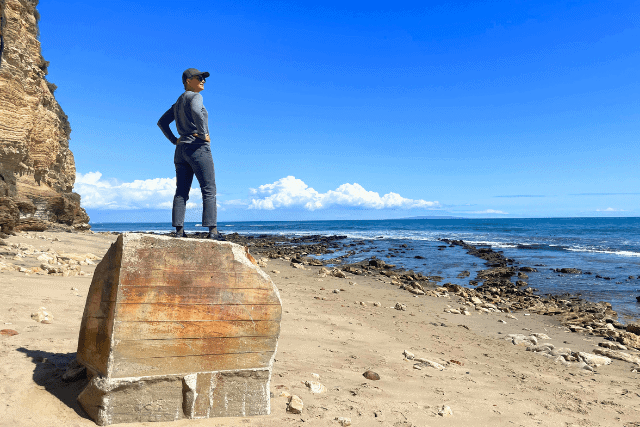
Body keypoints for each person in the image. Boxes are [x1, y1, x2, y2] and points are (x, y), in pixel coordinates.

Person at [157, 68, 223, 240]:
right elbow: (195, 111)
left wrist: (174, 140)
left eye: (204, 78)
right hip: (197, 147)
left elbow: (162, 122)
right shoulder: (195, 97)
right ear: (188, 80)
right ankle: (213, 232)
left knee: (181, 191)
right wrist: (203, 134)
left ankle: (179, 232)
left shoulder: (178, 102)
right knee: (209, 189)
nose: (203, 81)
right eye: (199, 78)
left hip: (181, 150)